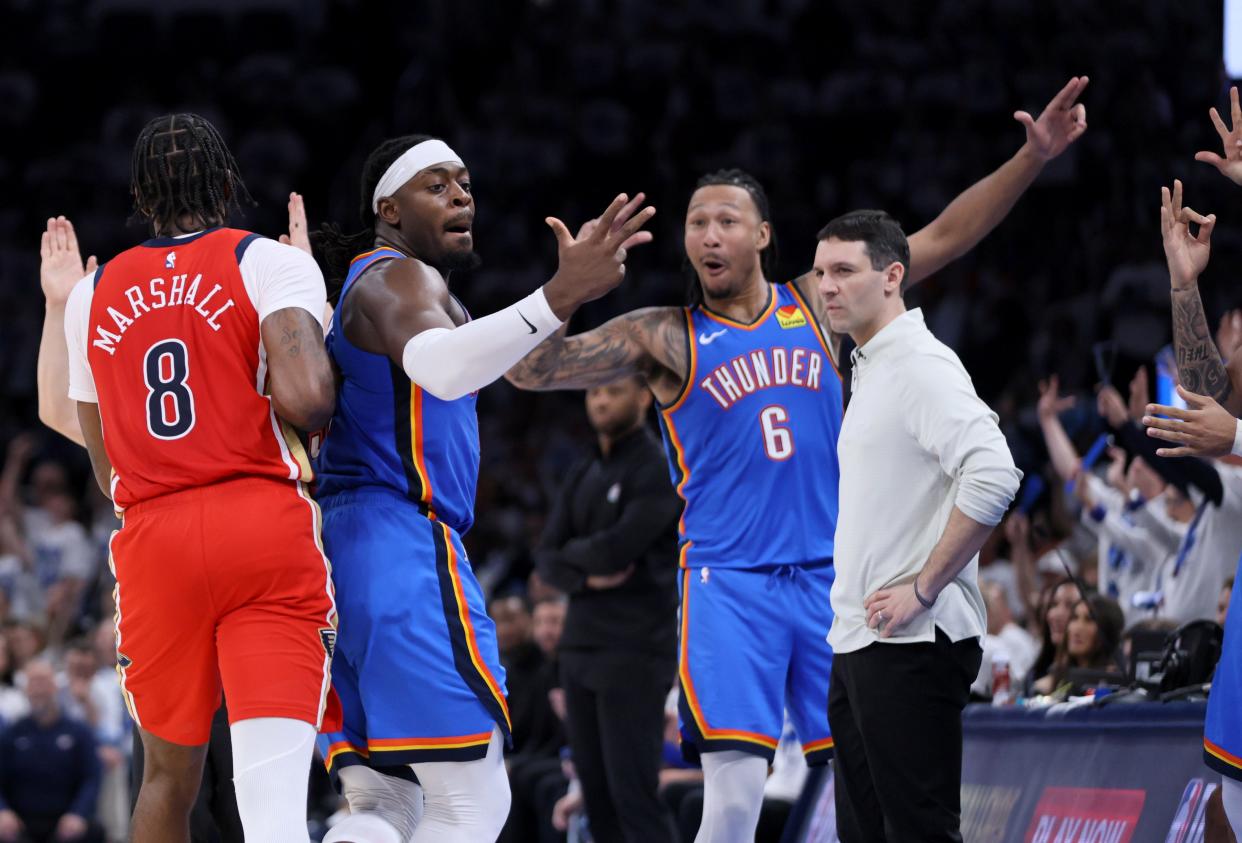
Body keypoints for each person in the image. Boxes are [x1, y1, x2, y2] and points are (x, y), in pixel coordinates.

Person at [506, 77, 1088, 841]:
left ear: (763, 236)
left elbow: (943, 236)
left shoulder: (821, 299)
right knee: (735, 796)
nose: (708, 234)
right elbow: (526, 368)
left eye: (726, 220)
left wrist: (1031, 158)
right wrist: (563, 289)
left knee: (866, 787)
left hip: (834, 578)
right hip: (728, 583)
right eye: (696, 222)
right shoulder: (664, 335)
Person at [308, 134, 655, 843]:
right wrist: (559, 292)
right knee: (474, 799)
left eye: (465, 182)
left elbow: (485, 357)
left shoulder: (376, 284)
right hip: (400, 544)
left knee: (384, 800)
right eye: (437, 185)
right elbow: (442, 368)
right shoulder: (397, 279)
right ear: (390, 209)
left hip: (341, 551)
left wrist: (563, 310)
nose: (462, 195)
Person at [58, 113, 338, 843]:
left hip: (155, 535)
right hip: (260, 523)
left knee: (165, 780)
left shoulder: (93, 294)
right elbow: (309, 397)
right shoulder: (268, 263)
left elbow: (104, 458)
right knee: (270, 793)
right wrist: (312, 310)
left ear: (143, 196)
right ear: (225, 184)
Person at [817, 210, 1021, 839]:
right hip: (861, 640)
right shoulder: (872, 365)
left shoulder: (919, 365)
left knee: (918, 833)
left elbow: (995, 473)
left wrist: (924, 587)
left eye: (844, 270)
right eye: (821, 271)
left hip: (912, 642)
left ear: (891, 276)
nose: (826, 286)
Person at [534, 375, 681, 843]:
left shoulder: (658, 466)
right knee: (595, 798)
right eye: (594, 392)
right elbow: (545, 557)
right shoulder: (583, 469)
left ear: (643, 396)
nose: (600, 400)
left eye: (613, 391)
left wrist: (575, 561)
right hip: (580, 650)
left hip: (635, 647)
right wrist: (586, 572)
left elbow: (618, 549)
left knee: (632, 794)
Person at [0, 659, 103, 843]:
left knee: (94, 832)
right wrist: (3, 811)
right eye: (33, 683)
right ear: (25, 690)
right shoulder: (12, 733)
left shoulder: (79, 732)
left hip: (65, 819)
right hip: (20, 821)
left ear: (56, 687)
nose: (39, 690)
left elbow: (92, 777)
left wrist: (77, 813)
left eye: (44, 682)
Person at [1044, 595, 1125, 695]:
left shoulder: (1115, 685)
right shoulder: (1056, 675)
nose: (1077, 629)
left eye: (1089, 620)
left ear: (1108, 630)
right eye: (1074, 618)